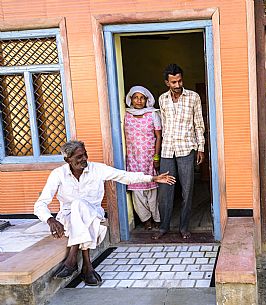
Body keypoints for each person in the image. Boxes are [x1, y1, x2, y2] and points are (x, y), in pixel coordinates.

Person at [34, 140, 175, 286]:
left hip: (94, 215)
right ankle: (87, 267)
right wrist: (50, 219)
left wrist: (152, 178)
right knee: (77, 206)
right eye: (79, 157)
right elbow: (40, 204)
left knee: (79, 205)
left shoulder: (97, 169)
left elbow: (123, 176)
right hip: (68, 219)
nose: (84, 159)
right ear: (67, 160)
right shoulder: (58, 174)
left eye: (85, 154)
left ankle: (72, 259)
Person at [154, 63, 205, 240]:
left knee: (187, 190)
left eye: (180, 81)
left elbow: (199, 124)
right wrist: (158, 154)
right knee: (165, 190)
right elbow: (163, 125)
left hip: (186, 148)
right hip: (168, 149)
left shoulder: (193, 97)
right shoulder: (162, 99)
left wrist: (201, 148)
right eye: (173, 82)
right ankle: (164, 226)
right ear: (167, 82)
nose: (177, 85)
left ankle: (184, 227)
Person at [124, 86, 162, 230]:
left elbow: (158, 136)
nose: (139, 100)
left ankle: (157, 218)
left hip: (149, 157)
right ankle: (146, 219)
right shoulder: (126, 114)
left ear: (147, 100)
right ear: (130, 99)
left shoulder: (153, 114)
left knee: (152, 189)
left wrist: (156, 157)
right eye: (135, 97)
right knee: (137, 190)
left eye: (142, 97)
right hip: (133, 158)